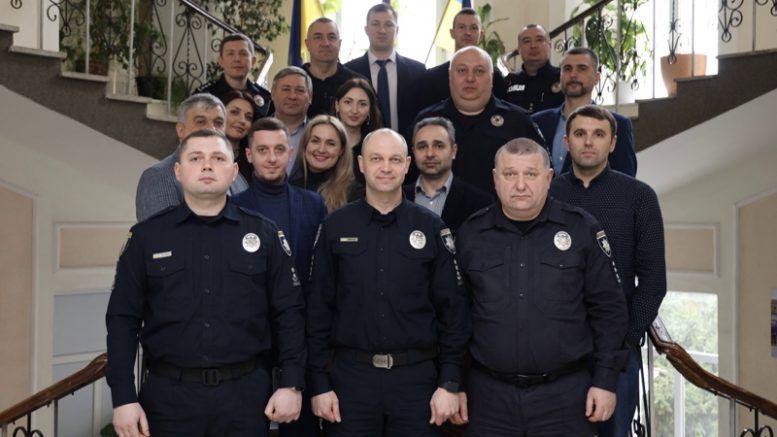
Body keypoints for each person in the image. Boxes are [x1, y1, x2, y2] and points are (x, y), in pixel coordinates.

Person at [107, 128, 305, 437]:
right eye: (196, 158)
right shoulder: (147, 238)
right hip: (169, 399)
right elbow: (122, 319)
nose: (207, 166)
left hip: (244, 398)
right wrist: (123, 396)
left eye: (218, 158)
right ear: (178, 171)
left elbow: (289, 313)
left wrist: (291, 383)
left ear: (234, 171)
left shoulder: (264, 234)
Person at [455, 138, 628, 436]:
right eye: (510, 174)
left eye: (531, 174)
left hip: (565, 397)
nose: (520, 185)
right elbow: (454, 316)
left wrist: (605, 380)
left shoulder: (581, 229)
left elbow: (610, 311)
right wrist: (452, 382)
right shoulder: (471, 233)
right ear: (495, 179)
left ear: (548, 178)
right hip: (489, 400)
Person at [306, 128, 470, 437]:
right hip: (351, 381)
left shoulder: (431, 228)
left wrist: (450, 381)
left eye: (394, 160)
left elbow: (453, 311)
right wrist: (319, 384)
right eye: (376, 159)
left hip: (416, 381)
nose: (385, 167)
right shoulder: (335, 227)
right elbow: (317, 310)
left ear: (407, 165)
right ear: (361, 164)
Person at [549, 105, 667, 437]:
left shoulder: (639, 196)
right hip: (556, 352)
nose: (588, 142)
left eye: (598, 134)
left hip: (616, 352)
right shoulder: (548, 194)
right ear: (567, 142)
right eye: (580, 134)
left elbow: (653, 281)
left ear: (613, 143)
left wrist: (624, 340)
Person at [232, 117, 327, 437]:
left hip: (301, 335)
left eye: (278, 150)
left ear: (290, 152)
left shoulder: (313, 204)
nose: (271, 158)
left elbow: (321, 272)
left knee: (301, 429)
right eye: (262, 150)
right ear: (249, 155)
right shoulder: (233, 208)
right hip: (249, 339)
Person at [413, 46, 546, 194]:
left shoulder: (518, 121)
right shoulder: (426, 121)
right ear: (450, 76)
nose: (470, 79)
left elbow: (542, 174)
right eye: (462, 71)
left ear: (491, 77)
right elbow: (408, 176)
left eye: (479, 71)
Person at [135, 93, 248, 222]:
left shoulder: (236, 177)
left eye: (218, 123)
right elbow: (162, 231)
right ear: (180, 130)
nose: (211, 129)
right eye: (200, 122)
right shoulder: (158, 177)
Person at [532, 47, 637, 177]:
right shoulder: (538, 122)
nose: (573, 75)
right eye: (567, 69)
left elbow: (625, 180)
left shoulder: (618, 124)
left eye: (582, 69)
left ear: (597, 78)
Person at [344, 3, 426, 132]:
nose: (382, 30)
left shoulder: (417, 71)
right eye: (375, 24)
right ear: (366, 29)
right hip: (363, 143)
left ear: (397, 30)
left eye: (388, 25)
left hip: (407, 143)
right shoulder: (349, 71)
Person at [403, 116, 492, 232]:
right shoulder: (397, 197)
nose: (430, 154)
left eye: (439, 146)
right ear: (414, 152)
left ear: (453, 151)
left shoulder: (480, 203)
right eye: (422, 147)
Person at [419, 8, 506, 110]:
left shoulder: (495, 78)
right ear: (452, 33)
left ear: (481, 35)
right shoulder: (432, 78)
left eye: (473, 28)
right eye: (461, 27)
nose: (468, 32)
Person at [289, 115, 357, 212]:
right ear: (305, 145)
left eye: (330, 143)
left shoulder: (354, 193)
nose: (321, 149)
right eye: (315, 141)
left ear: (341, 150)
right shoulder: (291, 187)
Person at [195, 33, 272, 117]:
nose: (237, 59)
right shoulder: (205, 96)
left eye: (243, 54)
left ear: (253, 61)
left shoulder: (264, 97)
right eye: (230, 54)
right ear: (220, 61)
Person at [303, 17, 363, 117]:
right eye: (318, 37)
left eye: (331, 37)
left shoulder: (357, 83)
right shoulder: (292, 82)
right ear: (307, 44)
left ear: (339, 44)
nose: (325, 43)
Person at [503, 24, 565, 113]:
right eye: (527, 41)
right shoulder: (509, 82)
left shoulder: (562, 78)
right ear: (519, 49)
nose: (533, 46)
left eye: (539, 40)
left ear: (549, 45)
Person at [333, 77, 383, 183]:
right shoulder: (324, 144)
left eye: (362, 104)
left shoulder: (377, 147)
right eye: (348, 102)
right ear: (337, 105)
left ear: (370, 109)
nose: (354, 110)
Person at [270, 66, 314, 173]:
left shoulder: (318, 133)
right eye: (286, 89)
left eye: (300, 90)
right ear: (272, 94)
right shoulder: (256, 131)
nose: (292, 96)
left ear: (310, 97)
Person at [219, 90, 255, 181]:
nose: (242, 120)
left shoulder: (253, 160)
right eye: (234, 112)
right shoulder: (203, 156)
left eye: (248, 117)